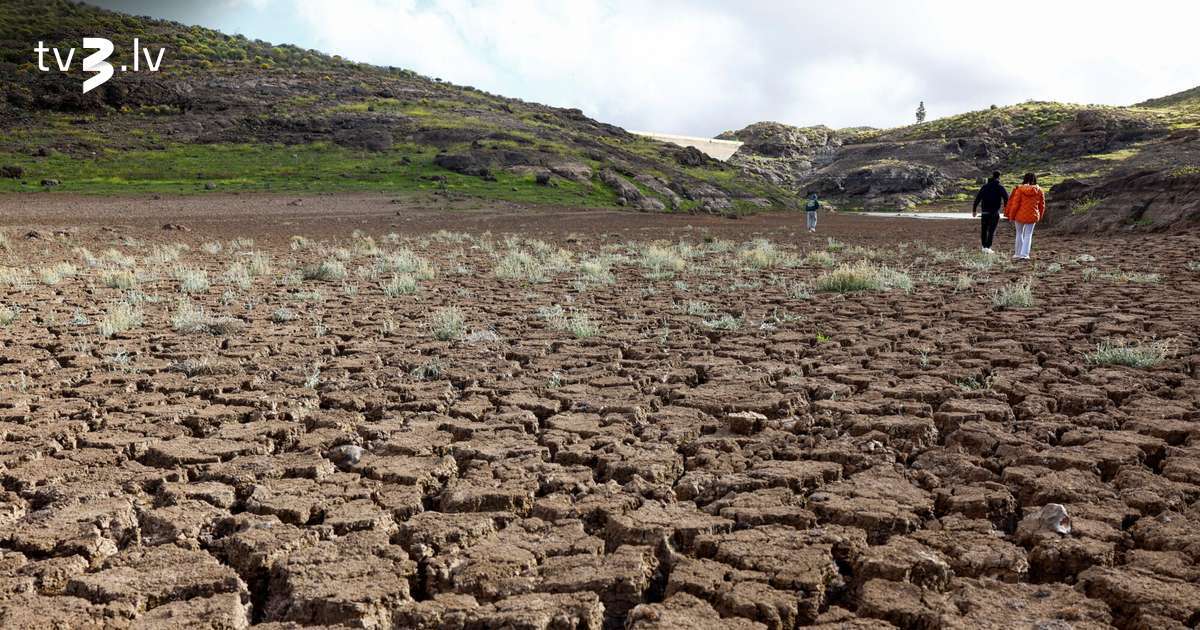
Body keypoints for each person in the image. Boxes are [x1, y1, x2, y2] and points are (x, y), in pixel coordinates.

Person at [1003, 172, 1046, 260]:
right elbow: (1042, 205)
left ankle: (1017, 254)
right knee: (1028, 235)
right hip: (1033, 215)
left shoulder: (1019, 189)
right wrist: (1040, 216)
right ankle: (1025, 254)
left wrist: (1011, 216)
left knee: (1019, 233)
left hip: (1019, 215)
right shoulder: (1039, 190)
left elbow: (1015, 204)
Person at [972, 171, 1008, 253]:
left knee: (984, 230)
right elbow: (1006, 198)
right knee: (991, 230)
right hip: (994, 212)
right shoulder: (1000, 187)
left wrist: (974, 210)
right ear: (999, 177)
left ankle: (983, 247)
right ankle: (988, 247)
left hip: (984, 212)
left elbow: (978, 198)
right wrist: (1006, 209)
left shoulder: (985, 186)